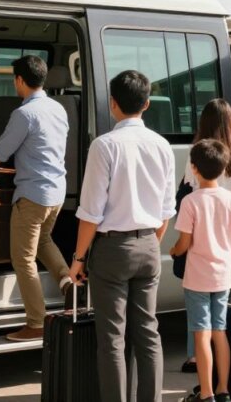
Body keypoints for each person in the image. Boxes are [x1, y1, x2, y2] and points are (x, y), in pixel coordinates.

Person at [69, 70, 176, 402]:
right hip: (149, 244)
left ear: (112, 103)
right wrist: (150, 243)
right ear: (147, 104)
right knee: (148, 334)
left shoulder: (104, 146)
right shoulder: (162, 145)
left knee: (112, 339)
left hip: (112, 249)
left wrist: (78, 259)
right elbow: (166, 210)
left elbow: (91, 212)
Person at [0, 55, 72, 342]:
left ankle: (36, 323)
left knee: (22, 259)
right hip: (56, 192)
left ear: (20, 80)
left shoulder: (24, 114)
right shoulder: (58, 109)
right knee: (44, 240)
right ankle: (67, 281)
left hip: (33, 195)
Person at [170, 139, 231, 402]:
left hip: (197, 279)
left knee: (201, 334)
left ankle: (206, 393)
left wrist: (174, 251)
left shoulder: (190, 202)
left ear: (193, 168)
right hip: (222, 277)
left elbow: (184, 242)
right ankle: (223, 389)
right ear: (224, 168)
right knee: (219, 331)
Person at [180, 99, 231, 374]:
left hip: (200, 223)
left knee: (196, 298)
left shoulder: (197, 152)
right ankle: (219, 359)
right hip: (227, 225)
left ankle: (194, 356)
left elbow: (190, 184)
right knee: (220, 299)